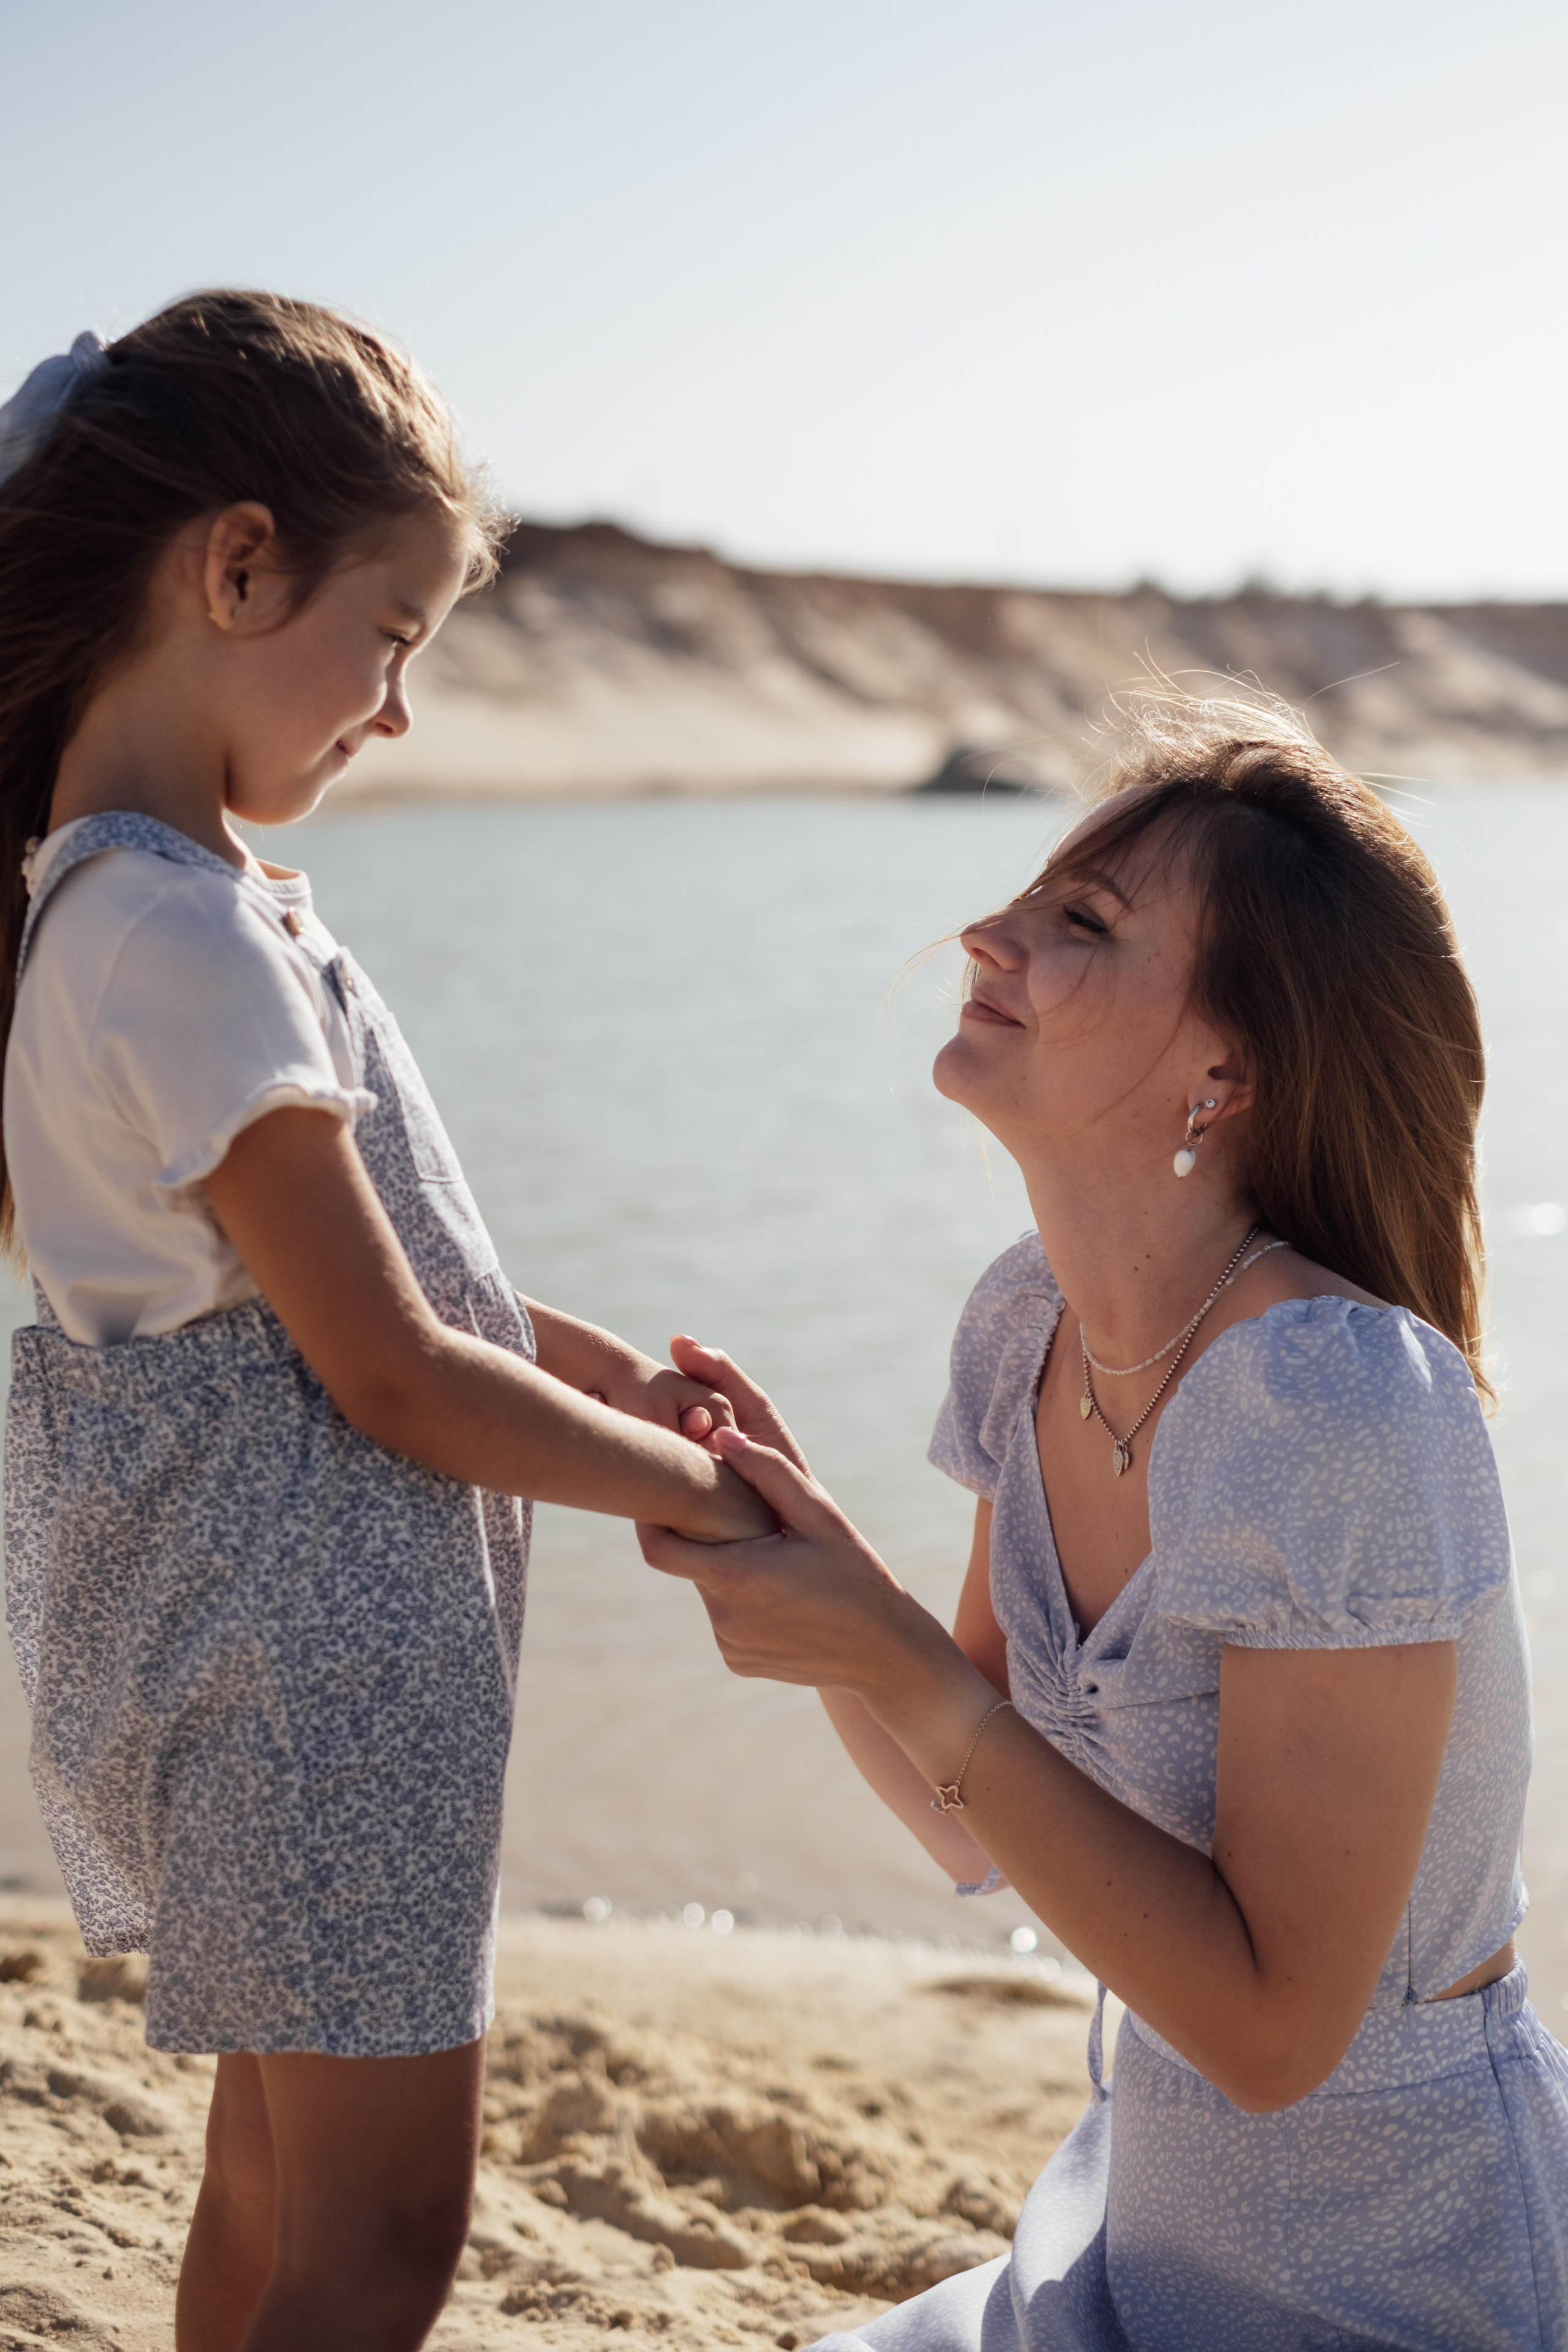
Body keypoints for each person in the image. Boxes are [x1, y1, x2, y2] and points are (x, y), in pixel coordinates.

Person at [0, 293, 772, 2352]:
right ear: (234, 568)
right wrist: (696, 1490)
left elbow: (355, 1267)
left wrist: (593, 1370)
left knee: (268, 2191)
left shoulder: (147, 899)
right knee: (382, 2230)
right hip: (317, 1664)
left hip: (254, 1648)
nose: (399, 711)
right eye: (396, 634)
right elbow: (388, 1372)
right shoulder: (173, 926)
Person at [649, 707, 1568, 2350]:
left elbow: (1278, 2035)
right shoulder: (1029, 1327)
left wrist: (875, 1644)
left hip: (1403, 2277)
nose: (989, 934)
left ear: (1224, 1075)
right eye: (1033, 895)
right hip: (1138, 2233)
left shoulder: (1342, 1403)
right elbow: (974, 1817)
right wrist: (796, 1555)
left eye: (1083, 924)